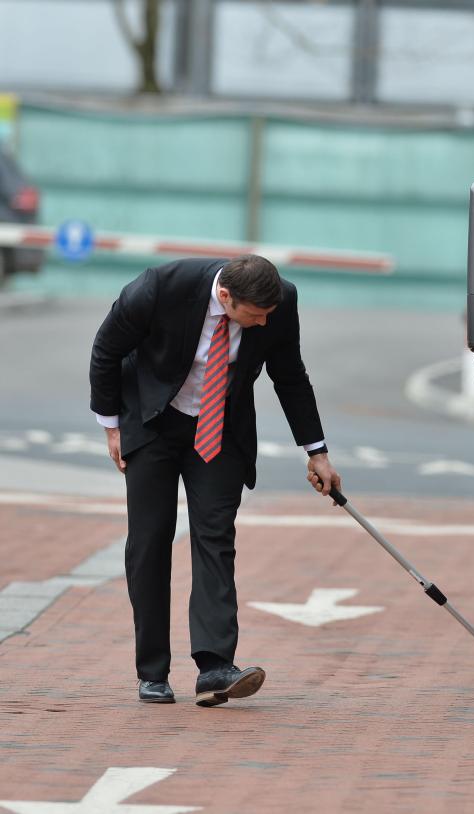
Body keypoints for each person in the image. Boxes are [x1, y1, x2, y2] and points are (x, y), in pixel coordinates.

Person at [89, 255, 341, 707]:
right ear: (225, 296)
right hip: (151, 421)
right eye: (256, 315)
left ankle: (215, 668)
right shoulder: (158, 288)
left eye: (269, 313)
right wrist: (113, 427)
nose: (265, 322)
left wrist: (316, 452)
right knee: (149, 540)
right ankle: (152, 672)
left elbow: (289, 376)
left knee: (215, 535)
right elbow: (107, 349)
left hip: (221, 429)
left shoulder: (279, 301)